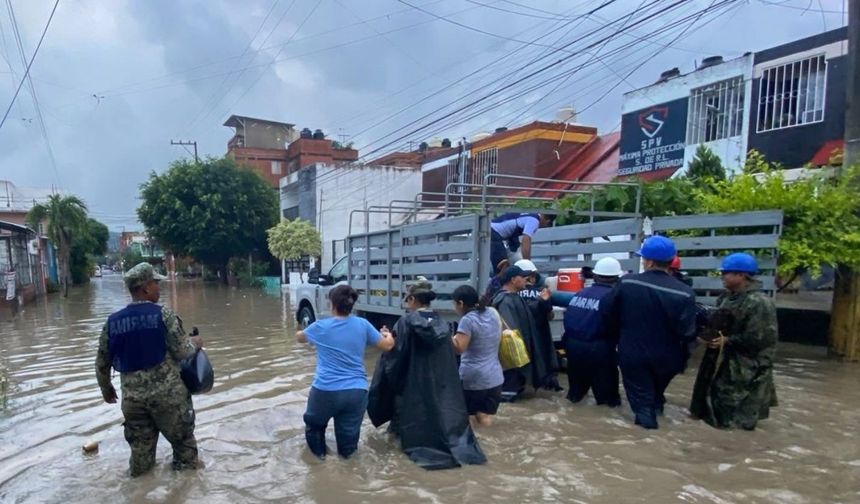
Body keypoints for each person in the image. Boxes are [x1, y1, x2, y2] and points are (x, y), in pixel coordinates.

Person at [95, 262, 204, 477]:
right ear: (145, 288)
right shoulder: (163, 315)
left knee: (140, 461)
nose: (159, 287)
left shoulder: (113, 322)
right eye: (155, 283)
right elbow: (183, 352)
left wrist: (106, 389)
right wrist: (196, 343)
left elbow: (101, 362)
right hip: (169, 399)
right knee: (185, 454)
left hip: (133, 402)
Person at [367, 281, 486, 470]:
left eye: (407, 300)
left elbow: (395, 357)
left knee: (400, 430)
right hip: (438, 385)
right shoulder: (442, 323)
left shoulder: (406, 322)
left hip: (412, 387)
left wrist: (387, 337)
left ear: (413, 299)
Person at [599, 236, 697, 429]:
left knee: (642, 405)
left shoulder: (628, 283)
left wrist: (618, 334)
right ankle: (659, 417)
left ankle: (648, 442)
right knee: (656, 395)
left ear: (649, 261)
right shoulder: (685, 293)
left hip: (634, 356)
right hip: (669, 360)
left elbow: (606, 311)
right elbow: (687, 333)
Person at [296, 285, 395, 459]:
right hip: (356, 392)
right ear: (351, 305)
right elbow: (387, 346)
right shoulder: (363, 325)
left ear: (331, 303)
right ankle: (349, 475)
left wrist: (303, 331)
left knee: (314, 428)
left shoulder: (320, 327)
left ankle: (319, 466)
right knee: (349, 447)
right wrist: (388, 335)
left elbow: (300, 338)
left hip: (325, 391)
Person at [690, 253, 778, 430]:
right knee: (715, 409)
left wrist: (727, 341)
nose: (722, 277)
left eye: (726, 273)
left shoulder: (759, 303)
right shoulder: (726, 298)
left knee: (740, 419)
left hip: (748, 370)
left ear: (741, 275)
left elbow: (761, 338)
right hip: (723, 364)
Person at [562, 257, 623, 407]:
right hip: (599, 349)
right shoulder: (614, 297)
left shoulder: (580, 293)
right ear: (617, 277)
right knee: (607, 402)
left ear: (595, 276)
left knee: (575, 396)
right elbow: (616, 325)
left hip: (573, 347)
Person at [491, 266, 557, 401]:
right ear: (513, 280)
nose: (526, 280)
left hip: (519, 358)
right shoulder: (504, 300)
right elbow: (508, 335)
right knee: (509, 395)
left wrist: (540, 300)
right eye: (522, 277)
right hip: (511, 362)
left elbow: (526, 312)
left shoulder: (514, 297)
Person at [451, 285, 504, 427]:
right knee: (484, 416)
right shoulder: (493, 312)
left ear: (461, 303)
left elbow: (459, 349)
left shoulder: (467, 320)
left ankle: (477, 446)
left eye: (454, 304)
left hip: (474, 380)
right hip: (495, 378)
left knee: (468, 419)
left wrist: (446, 335)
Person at [515, 259, 562, 391]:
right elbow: (550, 315)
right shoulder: (543, 292)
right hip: (541, 336)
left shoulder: (512, 294)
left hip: (520, 337)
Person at [489, 213, 555, 274]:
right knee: (502, 267)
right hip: (494, 231)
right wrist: (528, 264)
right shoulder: (534, 221)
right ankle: (496, 284)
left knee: (512, 250)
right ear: (547, 222)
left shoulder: (529, 214)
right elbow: (526, 241)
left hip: (495, 228)